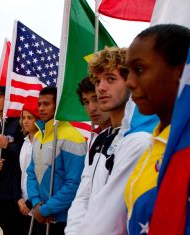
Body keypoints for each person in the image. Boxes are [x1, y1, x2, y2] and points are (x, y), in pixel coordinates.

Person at [65, 47, 158, 235]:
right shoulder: (99, 139)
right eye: (98, 81)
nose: (100, 87)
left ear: (132, 82)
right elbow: (83, 196)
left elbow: (115, 213)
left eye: (111, 79)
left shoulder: (142, 139)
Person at [124, 24, 190, 235]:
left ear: (180, 72)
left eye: (140, 69)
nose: (129, 83)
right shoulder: (154, 143)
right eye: (128, 72)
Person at [26, 86, 87, 235]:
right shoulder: (39, 136)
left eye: (46, 104)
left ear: (58, 105)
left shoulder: (73, 137)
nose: (41, 108)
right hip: (41, 215)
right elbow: (31, 173)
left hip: (63, 219)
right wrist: (36, 204)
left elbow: (75, 184)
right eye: (39, 104)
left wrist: (47, 209)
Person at [0, 85, 25, 235]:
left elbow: (26, 151)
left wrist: (8, 145)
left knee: (19, 228)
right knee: (4, 226)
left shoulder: (20, 123)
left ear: (8, 98)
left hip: (16, 189)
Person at [18, 101, 40, 235]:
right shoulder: (24, 142)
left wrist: (29, 202)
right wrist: (19, 199)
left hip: (35, 201)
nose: (25, 121)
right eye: (23, 117)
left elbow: (39, 175)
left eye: (30, 118)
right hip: (22, 199)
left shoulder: (42, 141)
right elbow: (19, 171)